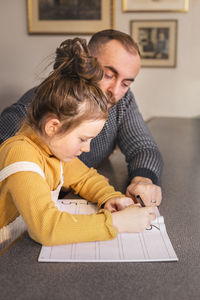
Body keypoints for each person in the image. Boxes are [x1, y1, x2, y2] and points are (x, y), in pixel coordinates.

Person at [0, 38, 156, 248]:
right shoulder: (20, 152)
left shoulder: (52, 149)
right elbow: (47, 229)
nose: (87, 148)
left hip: (18, 246)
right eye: (83, 139)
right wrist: (116, 223)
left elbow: (85, 178)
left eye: (126, 83)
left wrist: (109, 197)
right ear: (53, 126)